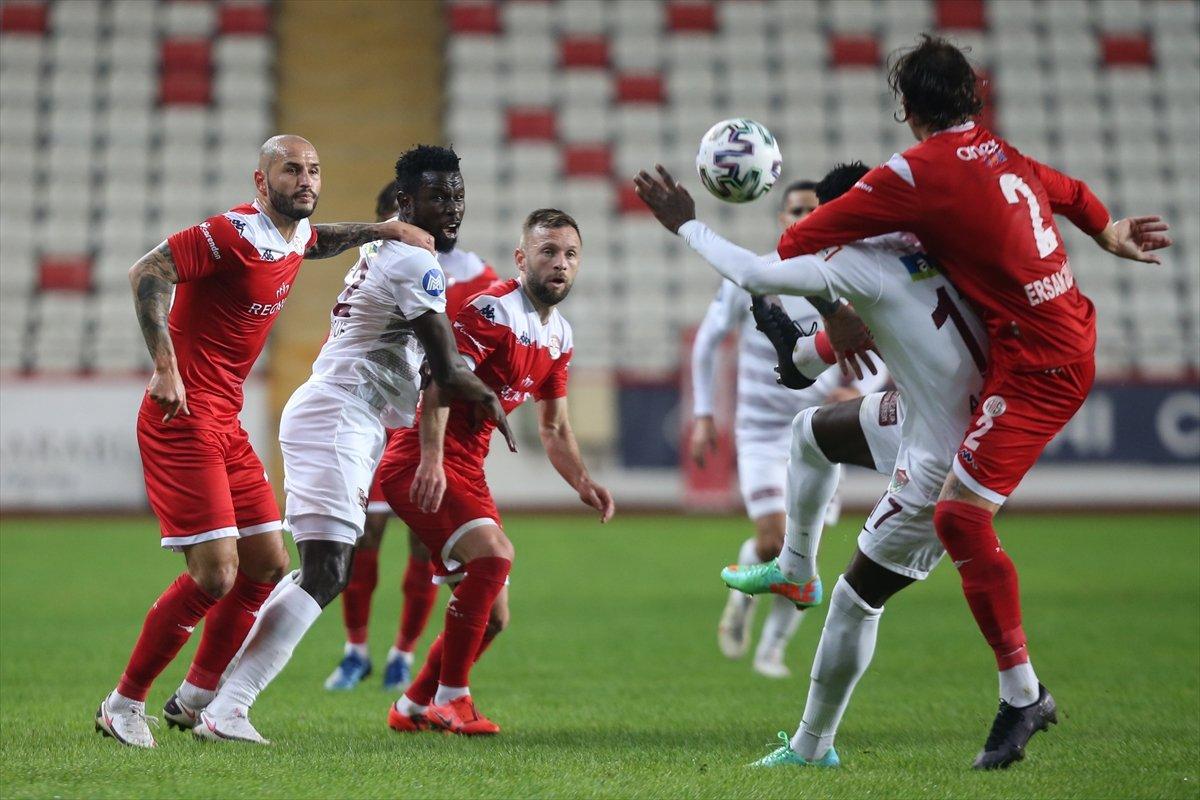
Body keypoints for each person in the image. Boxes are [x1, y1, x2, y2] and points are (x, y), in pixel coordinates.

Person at [634, 156, 1168, 769]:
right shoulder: (928, 240)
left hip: (945, 451)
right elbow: (815, 358)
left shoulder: (855, 262)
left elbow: (764, 282)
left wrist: (688, 227)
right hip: (944, 406)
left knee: (856, 600)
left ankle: (812, 749)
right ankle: (794, 568)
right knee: (812, 431)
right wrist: (802, 344)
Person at [94, 135, 437, 748]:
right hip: (182, 419)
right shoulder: (231, 232)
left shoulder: (293, 234)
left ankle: (198, 698)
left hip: (225, 422)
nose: (305, 180)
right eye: (290, 170)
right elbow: (147, 270)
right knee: (216, 576)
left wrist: (382, 230)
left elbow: (317, 240)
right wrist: (165, 365)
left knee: (268, 565)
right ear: (261, 182)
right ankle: (123, 703)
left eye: (313, 169)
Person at [192, 144, 515, 744]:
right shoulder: (411, 263)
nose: (451, 207)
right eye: (437, 196)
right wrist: (489, 398)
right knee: (326, 570)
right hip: (339, 415)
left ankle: (207, 696)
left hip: (350, 419)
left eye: (457, 195)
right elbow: (445, 368)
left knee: (319, 569)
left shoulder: (392, 252)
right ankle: (226, 706)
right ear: (404, 202)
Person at [381, 208, 615, 736]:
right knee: (495, 556)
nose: (560, 263)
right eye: (548, 251)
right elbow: (440, 379)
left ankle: (413, 705)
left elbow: (554, 428)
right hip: (420, 459)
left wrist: (584, 482)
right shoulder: (492, 311)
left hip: (467, 469)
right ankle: (452, 699)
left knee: (493, 617)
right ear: (521, 258)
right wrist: (434, 460)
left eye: (570, 254)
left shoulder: (560, 336)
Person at [693, 179, 885, 678]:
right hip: (760, 431)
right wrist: (701, 414)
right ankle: (742, 601)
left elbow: (881, 344)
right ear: (781, 217)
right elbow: (708, 339)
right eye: (796, 209)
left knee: (805, 555)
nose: (805, 216)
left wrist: (863, 392)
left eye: (815, 209)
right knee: (777, 540)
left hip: (819, 436)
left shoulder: (846, 279)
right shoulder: (757, 274)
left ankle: (770, 650)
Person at [326, 180, 501, 692]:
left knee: (425, 546)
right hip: (378, 418)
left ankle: (402, 654)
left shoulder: (479, 280)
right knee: (364, 538)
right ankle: (356, 650)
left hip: (436, 427)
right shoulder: (374, 263)